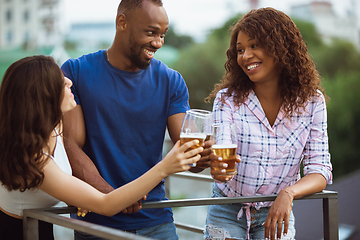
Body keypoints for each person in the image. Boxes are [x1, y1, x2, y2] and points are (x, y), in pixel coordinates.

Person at [0, 55, 203, 240]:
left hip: (40, 226)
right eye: (61, 82)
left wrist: (77, 195)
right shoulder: (35, 157)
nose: (69, 81)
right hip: (20, 232)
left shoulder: (52, 127)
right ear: (43, 95)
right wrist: (165, 167)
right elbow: (105, 205)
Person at [61, 0, 212, 239]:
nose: (158, 42)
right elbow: (70, 145)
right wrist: (111, 197)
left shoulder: (171, 81)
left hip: (156, 222)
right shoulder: (75, 72)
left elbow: (189, 157)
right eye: (151, 32)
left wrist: (204, 157)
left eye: (163, 34)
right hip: (96, 225)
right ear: (122, 22)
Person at [204, 8, 333, 240]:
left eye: (254, 46)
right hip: (227, 208)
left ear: (280, 47)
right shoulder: (227, 100)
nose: (244, 56)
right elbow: (222, 158)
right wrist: (219, 168)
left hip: (277, 212)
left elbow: (320, 170)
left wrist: (289, 193)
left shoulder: (313, 102)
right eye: (240, 50)